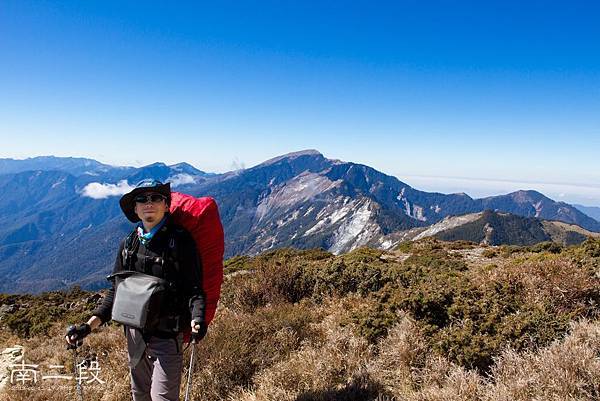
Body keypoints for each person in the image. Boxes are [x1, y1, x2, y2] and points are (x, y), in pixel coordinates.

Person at [65, 179, 207, 401]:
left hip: (167, 335)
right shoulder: (129, 244)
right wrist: (87, 327)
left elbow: (194, 289)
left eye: (155, 198)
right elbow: (116, 292)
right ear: (135, 208)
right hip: (134, 333)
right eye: (142, 199)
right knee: (139, 395)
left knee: (163, 397)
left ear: (167, 205)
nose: (148, 203)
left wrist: (198, 318)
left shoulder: (180, 242)